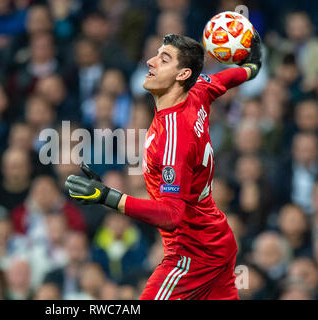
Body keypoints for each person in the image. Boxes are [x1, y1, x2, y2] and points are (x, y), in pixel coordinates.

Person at [65, 32, 262, 300]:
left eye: (164, 58)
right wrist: (251, 68)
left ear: (182, 75)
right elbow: (221, 80)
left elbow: (171, 214)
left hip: (191, 256)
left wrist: (107, 196)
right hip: (216, 241)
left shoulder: (174, 136)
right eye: (156, 54)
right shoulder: (196, 91)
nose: (150, 61)